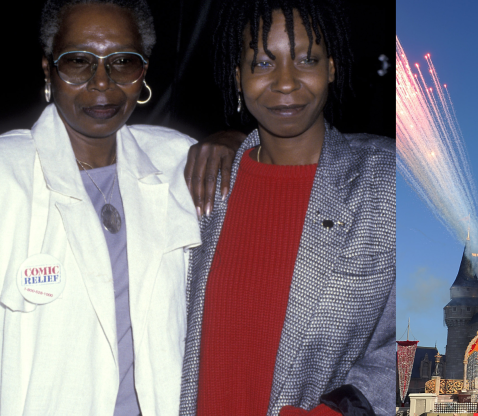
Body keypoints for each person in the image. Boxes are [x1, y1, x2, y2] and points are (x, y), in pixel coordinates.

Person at [0, 0, 239, 414]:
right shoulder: (8, 174)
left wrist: (238, 141)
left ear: (143, 71)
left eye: (122, 62)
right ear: (48, 69)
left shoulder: (176, 163)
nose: (101, 83)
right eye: (78, 61)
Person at [178, 1, 395, 416]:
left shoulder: (386, 180)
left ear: (331, 68)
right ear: (237, 77)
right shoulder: (203, 188)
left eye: (306, 60)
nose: (286, 82)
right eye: (262, 63)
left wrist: (339, 411)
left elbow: (423, 329)